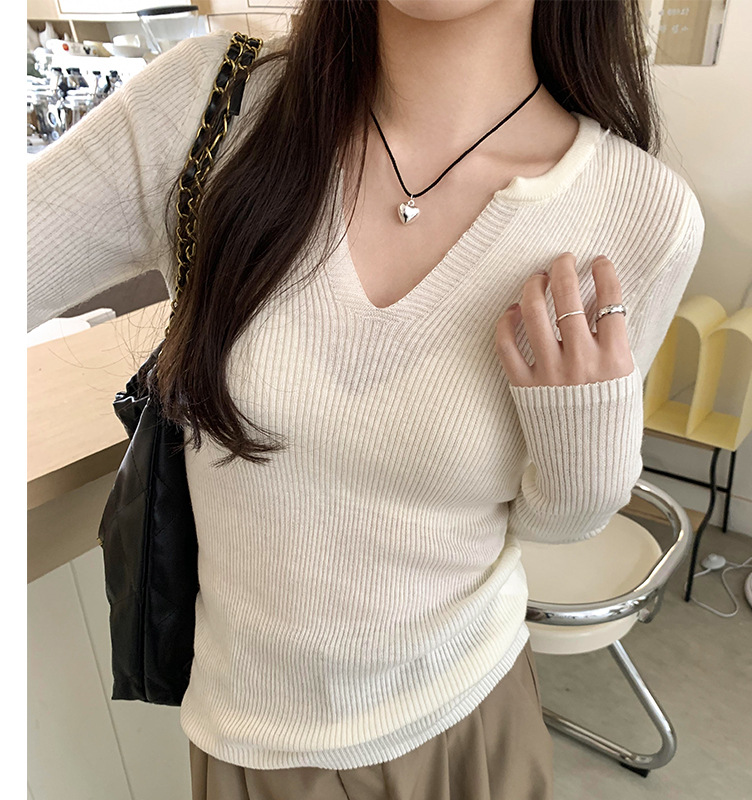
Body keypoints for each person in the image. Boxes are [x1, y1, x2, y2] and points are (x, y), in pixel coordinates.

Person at [27, 1, 705, 798]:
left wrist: (587, 450)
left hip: (466, 721)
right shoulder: (209, 108)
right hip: (247, 739)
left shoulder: (643, 212)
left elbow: (555, 522)